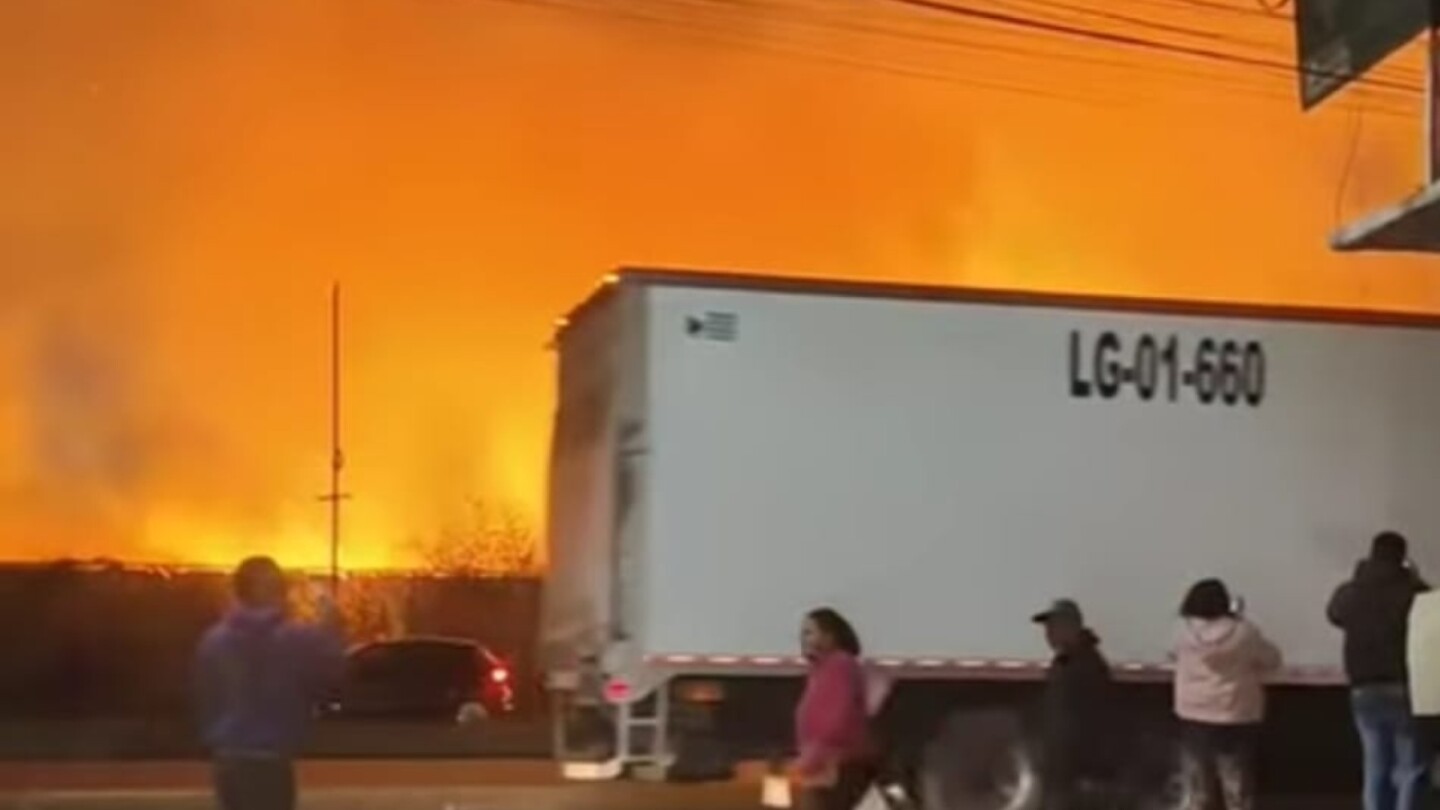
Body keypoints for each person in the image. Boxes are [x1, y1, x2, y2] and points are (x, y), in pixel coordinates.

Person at [195, 556, 346, 810]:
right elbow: (332, 674)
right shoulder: (294, 638)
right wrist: (331, 626)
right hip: (271, 762)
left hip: (228, 761)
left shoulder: (213, 641)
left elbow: (203, 698)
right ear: (274, 590)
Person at [1328, 531, 1430, 810]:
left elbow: (1334, 614)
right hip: (1403, 685)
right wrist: (1413, 577)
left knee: (1375, 763)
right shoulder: (1411, 590)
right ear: (1402, 557)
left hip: (1362, 687)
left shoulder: (1351, 590)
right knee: (1409, 764)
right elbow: (1432, 613)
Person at [1170, 579, 1282, 810]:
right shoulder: (1244, 632)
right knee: (1237, 787)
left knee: (1196, 787)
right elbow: (1272, 659)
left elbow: (1171, 655)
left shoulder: (1182, 632)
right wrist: (1238, 618)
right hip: (1236, 714)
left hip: (1193, 714)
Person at [1032, 598, 1115, 810]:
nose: (1048, 634)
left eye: (1054, 627)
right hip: (1058, 771)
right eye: (1047, 628)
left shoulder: (1089, 664)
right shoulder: (1064, 662)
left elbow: (1098, 721)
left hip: (1076, 775)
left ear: (1072, 627)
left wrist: (1088, 773)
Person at [794, 607, 875, 810]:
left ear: (829, 636)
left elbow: (840, 717)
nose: (802, 639)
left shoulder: (840, 666)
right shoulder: (820, 671)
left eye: (809, 632)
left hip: (835, 766)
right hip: (823, 767)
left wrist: (816, 753)